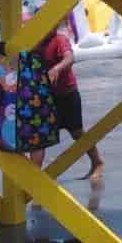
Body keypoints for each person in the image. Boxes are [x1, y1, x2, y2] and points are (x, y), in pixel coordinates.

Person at [32, 19, 104, 182]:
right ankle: (35, 179)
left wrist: (57, 68)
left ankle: (97, 162)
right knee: (39, 138)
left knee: (77, 133)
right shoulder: (35, 43)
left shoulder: (59, 39)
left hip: (67, 94)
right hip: (45, 98)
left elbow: (69, 58)